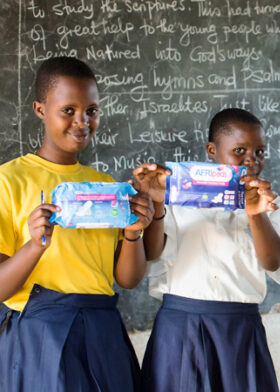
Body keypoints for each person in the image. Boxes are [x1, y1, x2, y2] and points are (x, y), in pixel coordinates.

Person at [0, 56, 153, 391]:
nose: (82, 121)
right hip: (40, 336)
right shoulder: (9, 180)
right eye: (68, 110)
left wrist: (133, 231)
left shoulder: (106, 186)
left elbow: (127, 279)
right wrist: (34, 245)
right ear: (40, 109)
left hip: (103, 329)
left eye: (92, 110)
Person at [134, 108, 280, 392]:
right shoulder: (178, 193)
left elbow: (273, 263)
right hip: (182, 325)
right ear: (212, 150)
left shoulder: (271, 202)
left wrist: (255, 213)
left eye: (259, 152)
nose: (251, 160)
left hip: (240, 327)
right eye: (240, 150)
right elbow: (153, 253)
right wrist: (157, 202)